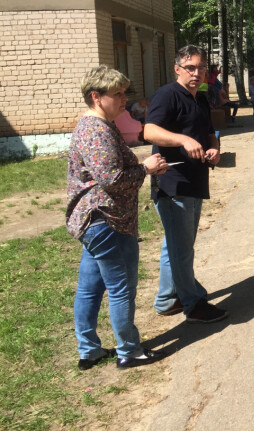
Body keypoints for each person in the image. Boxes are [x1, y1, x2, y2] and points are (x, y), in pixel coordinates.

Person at [67, 66, 168, 369]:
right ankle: (129, 351)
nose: (125, 99)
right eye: (118, 94)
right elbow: (112, 179)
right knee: (121, 288)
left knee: (89, 288)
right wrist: (146, 168)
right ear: (96, 97)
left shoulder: (98, 125)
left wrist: (141, 166)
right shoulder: (96, 130)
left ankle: (89, 350)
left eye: (125, 93)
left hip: (96, 222)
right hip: (108, 222)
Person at [143, 45, 227, 323]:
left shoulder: (200, 99)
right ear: (177, 69)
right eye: (190, 67)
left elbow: (209, 132)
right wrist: (183, 139)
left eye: (201, 67)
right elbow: (149, 130)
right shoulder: (167, 95)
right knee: (181, 249)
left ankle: (167, 299)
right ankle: (193, 303)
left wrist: (214, 147)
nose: (196, 73)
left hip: (194, 179)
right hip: (172, 182)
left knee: (177, 244)